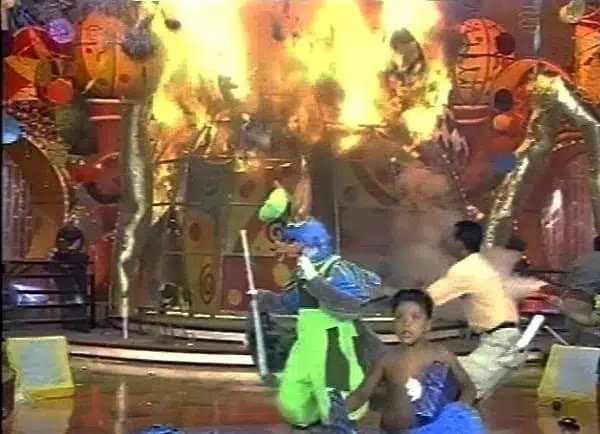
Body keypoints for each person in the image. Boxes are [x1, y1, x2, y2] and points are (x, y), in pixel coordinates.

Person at [250, 183, 387, 431]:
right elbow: (292, 302)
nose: (284, 247)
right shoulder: (302, 271)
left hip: (333, 343)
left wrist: (316, 282)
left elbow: (351, 306)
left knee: (337, 404)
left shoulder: (337, 269)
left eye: (290, 242)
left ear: (309, 241)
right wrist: (264, 298)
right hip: (306, 345)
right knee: (292, 403)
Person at [342, 290, 485, 434]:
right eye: (399, 317)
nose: (406, 323)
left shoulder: (441, 354)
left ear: (427, 324)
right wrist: (338, 414)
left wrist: (456, 411)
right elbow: (361, 395)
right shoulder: (386, 360)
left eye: (415, 317)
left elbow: (468, 387)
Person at [425, 221, 523, 399]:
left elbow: (425, 299)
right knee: (464, 395)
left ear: (460, 242)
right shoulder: (477, 264)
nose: (445, 240)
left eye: (450, 237)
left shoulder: (465, 270)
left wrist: (390, 294)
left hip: (499, 343)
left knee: (460, 392)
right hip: (504, 340)